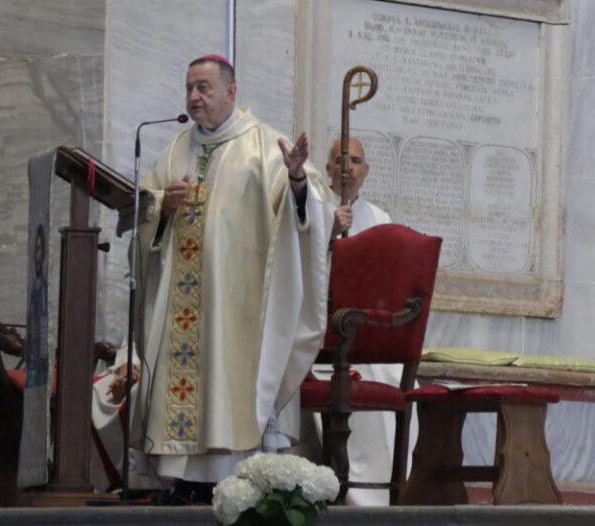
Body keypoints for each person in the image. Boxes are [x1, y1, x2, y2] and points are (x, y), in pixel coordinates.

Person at [128, 55, 335, 499]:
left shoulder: (264, 144)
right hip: (182, 302)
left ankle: (230, 480)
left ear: (231, 92)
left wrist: (298, 179)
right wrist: (162, 205)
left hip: (238, 305)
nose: (193, 97)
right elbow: (140, 207)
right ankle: (182, 481)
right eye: (188, 88)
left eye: (203, 88)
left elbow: (311, 212)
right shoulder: (177, 147)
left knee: (228, 384)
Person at [314, 137, 417, 506]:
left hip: (367, 336)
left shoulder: (380, 219)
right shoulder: (312, 206)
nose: (348, 168)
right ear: (327, 169)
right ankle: (350, 489)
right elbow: (293, 264)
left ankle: (389, 488)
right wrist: (326, 230)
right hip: (323, 337)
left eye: (355, 160)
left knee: (397, 381)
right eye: (340, 160)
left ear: (366, 170)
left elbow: (389, 283)